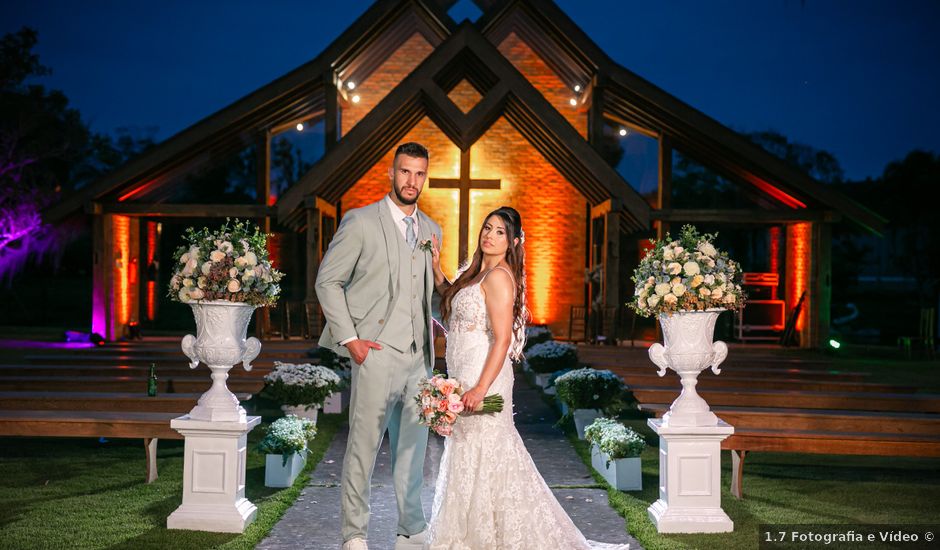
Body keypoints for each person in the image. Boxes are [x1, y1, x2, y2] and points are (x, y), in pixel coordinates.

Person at [425, 206, 629, 550]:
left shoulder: (500, 277)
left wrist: (479, 387)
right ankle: (470, 533)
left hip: (483, 374)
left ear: (513, 241)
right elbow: (454, 305)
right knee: (467, 449)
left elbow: (503, 340)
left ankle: (494, 536)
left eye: (500, 232)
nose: (489, 235)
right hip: (461, 372)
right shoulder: (474, 274)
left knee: (488, 449)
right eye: (487, 228)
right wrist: (436, 270)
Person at [315, 142, 442, 550]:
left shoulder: (432, 231)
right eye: (405, 172)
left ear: (425, 177)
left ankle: (411, 529)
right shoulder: (360, 222)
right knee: (363, 448)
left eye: (419, 174)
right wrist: (351, 340)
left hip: (418, 359)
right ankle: (355, 533)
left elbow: (431, 297)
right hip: (374, 354)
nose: (412, 181)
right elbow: (327, 281)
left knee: (413, 449)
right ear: (391, 172)